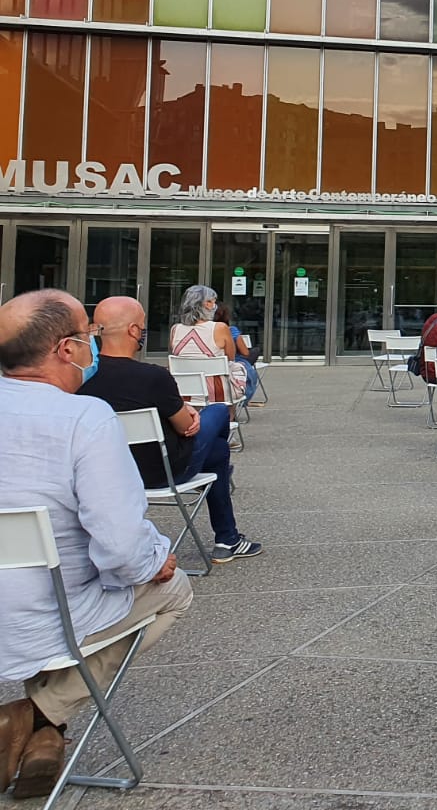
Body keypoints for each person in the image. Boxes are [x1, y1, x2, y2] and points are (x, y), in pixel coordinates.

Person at [0, 291, 193, 799]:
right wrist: (158, 561)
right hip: (41, 613)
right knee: (174, 590)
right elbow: (123, 551)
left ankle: (46, 739)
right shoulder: (84, 419)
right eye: (87, 334)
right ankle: (39, 713)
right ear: (67, 349)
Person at [82, 297, 262, 563]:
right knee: (218, 415)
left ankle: (228, 534)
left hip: (109, 475)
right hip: (162, 472)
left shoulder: (83, 379)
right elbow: (186, 426)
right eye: (142, 327)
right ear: (134, 331)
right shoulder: (153, 377)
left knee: (217, 450)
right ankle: (227, 538)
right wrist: (189, 414)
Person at [170, 284, 241, 406]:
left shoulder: (175, 329)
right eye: (213, 302)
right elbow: (231, 358)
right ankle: (229, 419)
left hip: (183, 392)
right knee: (240, 367)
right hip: (217, 394)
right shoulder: (220, 328)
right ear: (207, 304)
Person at [214, 303, 260, 404]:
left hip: (211, 364)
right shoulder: (231, 330)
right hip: (230, 362)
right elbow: (243, 352)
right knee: (253, 352)